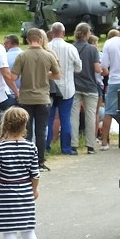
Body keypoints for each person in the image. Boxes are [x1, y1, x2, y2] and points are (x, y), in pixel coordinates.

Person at [0, 108, 51, 239]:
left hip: (7, 196)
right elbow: (35, 174)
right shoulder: (31, 146)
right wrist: (34, 190)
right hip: (25, 194)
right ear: (25, 126)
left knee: (9, 235)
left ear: (5, 125)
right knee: (29, 232)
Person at [10, 29, 60, 171]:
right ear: (40, 39)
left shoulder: (22, 56)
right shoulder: (48, 55)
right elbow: (57, 75)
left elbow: (13, 77)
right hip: (43, 98)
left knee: (26, 131)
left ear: (27, 40)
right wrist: (45, 75)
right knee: (41, 130)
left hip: (26, 98)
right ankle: (40, 161)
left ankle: (26, 161)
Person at [46, 22, 82, 155]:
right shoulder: (70, 48)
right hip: (67, 88)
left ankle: (46, 146)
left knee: (48, 118)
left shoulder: (47, 47)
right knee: (65, 118)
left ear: (51, 32)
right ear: (64, 32)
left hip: (50, 87)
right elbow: (79, 68)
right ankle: (66, 148)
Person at [99, 17, 120, 150]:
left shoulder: (109, 43)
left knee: (109, 112)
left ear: (118, 27)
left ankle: (105, 142)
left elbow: (104, 67)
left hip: (114, 80)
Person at [71, 23, 102, 154]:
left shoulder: (71, 48)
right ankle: (90, 145)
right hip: (90, 86)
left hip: (75, 85)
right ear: (86, 34)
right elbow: (97, 68)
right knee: (90, 115)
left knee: (74, 115)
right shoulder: (92, 49)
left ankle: (73, 144)